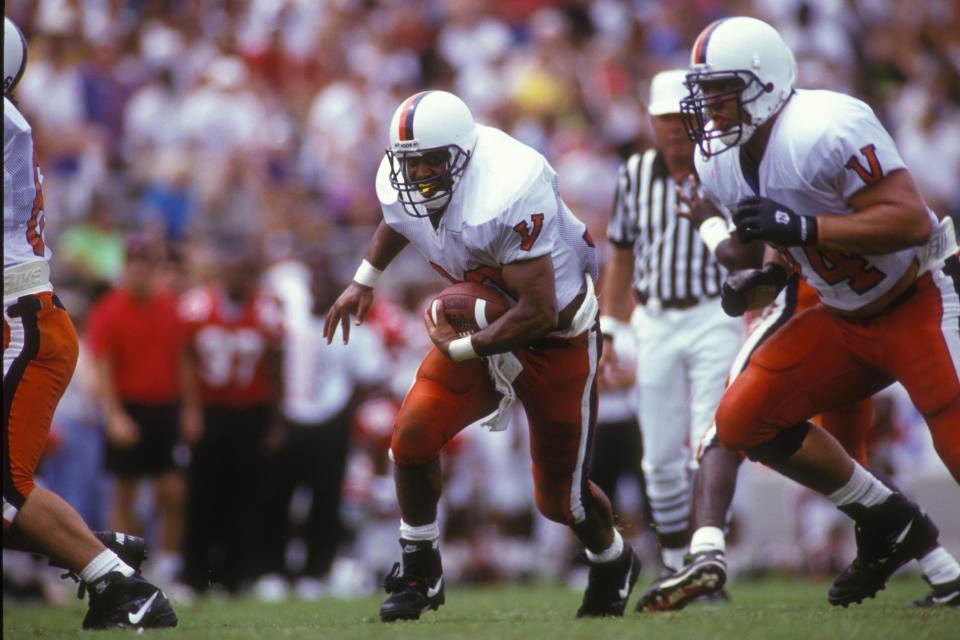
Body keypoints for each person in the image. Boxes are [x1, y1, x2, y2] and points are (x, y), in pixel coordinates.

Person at [671, 15, 960, 608]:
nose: (710, 108)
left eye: (722, 91)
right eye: (705, 94)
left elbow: (908, 218)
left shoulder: (825, 125)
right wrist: (770, 272)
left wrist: (804, 227)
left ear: (765, 82)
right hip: (842, 317)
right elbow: (784, 237)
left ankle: (907, 541)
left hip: (916, 299)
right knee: (742, 420)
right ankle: (890, 521)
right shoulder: (720, 159)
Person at [324, 90, 640, 621]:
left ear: (461, 156)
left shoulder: (510, 185)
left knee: (563, 502)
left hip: (556, 339)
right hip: (485, 319)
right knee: (411, 438)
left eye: (430, 161)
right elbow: (401, 218)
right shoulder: (410, 178)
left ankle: (612, 559)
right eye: (410, 162)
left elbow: (538, 312)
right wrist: (364, 279)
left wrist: (464, 347)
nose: (418, 173)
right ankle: (421, 571)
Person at [2, 17, 176, 629]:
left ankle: (119, 584)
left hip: (19, 322)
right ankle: (93, 548)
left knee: (4, 491)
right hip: (20, 319)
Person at [598, 69, 762, 579]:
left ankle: (705, 558)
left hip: (715, 311)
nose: (672, 128)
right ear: (650, 120)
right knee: (658, 460)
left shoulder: (722, 166)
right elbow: (621, 256)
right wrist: (610, 328)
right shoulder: (635, 173)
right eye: (663, 118)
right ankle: (675, 565)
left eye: (679, 118)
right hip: (655, 318)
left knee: (707, 439)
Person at [178, 241, 284, 594]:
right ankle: (196, 576)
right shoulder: (196, 306)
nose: (240, 279)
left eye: (246, 273)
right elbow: (186, 360)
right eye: (234, 271)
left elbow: (275, 366)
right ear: (223, 273)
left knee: (247, 497)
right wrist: (190, 409)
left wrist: (275, 421)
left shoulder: (267, 310)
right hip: (210, 413)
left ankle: (237, 577)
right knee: (203, 496)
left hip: (250, 413)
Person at [86, 236, 186, 589]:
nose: (141, 270)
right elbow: (102, 367)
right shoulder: (109, 310)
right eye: (135, 262)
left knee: (172, 490)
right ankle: (123, 572)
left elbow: (181, 360)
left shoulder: (168, 306)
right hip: (129, 406)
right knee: (125, 492)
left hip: (164, 407)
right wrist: (113, 414)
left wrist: (189, 409)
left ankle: (169, 569)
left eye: (148, 262)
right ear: (127, 266)